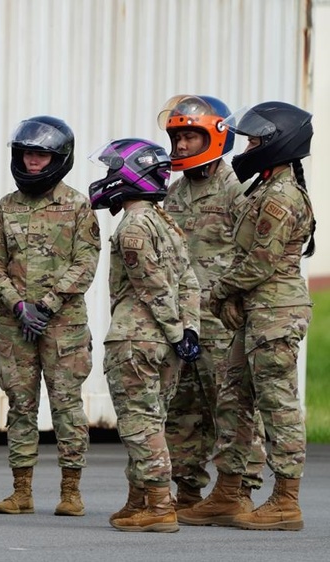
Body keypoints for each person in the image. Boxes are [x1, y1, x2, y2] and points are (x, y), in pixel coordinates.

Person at [0, 116, 100, 517]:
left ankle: (71, 492)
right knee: (20, 405)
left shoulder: (78, 205)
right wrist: (17, 305)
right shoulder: (5, 207)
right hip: (15, 325)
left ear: (58, 158)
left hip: (62, 325)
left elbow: (85, 262)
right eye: (28, 154)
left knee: (67, 406)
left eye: (42, 155)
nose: (33, 162)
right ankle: (22, 491)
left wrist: (46, 304)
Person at [156, 94, 267, 520]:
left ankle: (236, 490)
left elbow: (255, 253)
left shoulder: (239, 188)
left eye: (191, 136)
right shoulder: (174, 194)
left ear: (216, 137)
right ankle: (186, 490)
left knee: (232, 406)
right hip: (181, 322)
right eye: (178, 137)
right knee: (181, 408)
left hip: (223, 322)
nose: (182, 145)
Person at [205, 101, 315, 531]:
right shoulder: (265, 188)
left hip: (275, 314)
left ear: (277, 144)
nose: (247, 146)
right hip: (254, 311)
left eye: (255, 140)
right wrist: (232, 298)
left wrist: (219, 291)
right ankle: (230, 494)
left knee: (277, 405)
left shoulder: (280, 198)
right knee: (234, 399)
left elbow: (260, 264)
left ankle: (286, 501)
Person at [88, 138, 201, 533]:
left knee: (140, 424)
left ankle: (158, 504)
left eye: (113, 168)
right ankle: (138, 500)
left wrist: (174, 328)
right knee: (153, 420)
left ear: (132, 172)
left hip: (137, 339)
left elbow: (150, 283)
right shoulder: (165, 221)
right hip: (167, 342)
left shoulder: (134, 225)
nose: (107, 177)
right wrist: (188, 330)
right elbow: (189, 281)